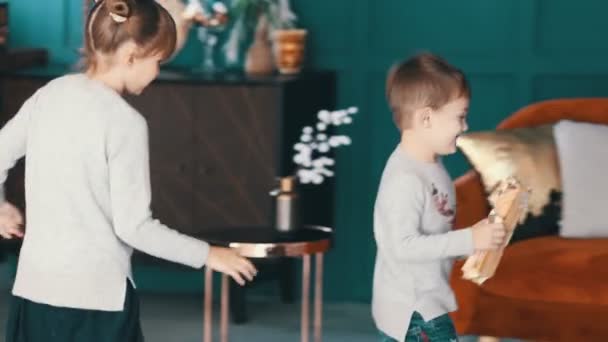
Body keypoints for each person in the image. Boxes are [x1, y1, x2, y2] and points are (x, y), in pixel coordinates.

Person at [0, 1, 256, 341]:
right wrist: (209, 254)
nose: (157, 72)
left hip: (35, 289)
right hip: (95, 299)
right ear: (132, 54)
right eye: (158, 61)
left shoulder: (50, 94)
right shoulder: (126, 122)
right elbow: (135, 227)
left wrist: (1, 206)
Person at [372, 52, 506, 342]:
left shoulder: (434, 167)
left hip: (427, 302)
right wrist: (469, 239)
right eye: (460, 117)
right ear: (426, 119)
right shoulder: (405, 179)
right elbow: (402, 246)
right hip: (412, 310)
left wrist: (473, 246)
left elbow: (434, 235)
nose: (464, 126)